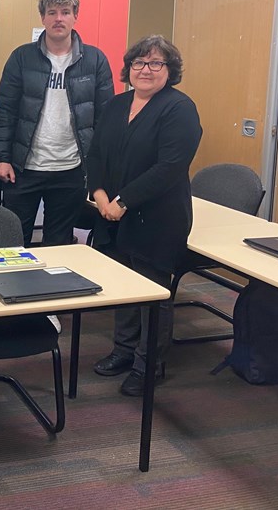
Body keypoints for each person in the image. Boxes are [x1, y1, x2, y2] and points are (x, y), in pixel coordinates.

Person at [88, 35, 202, 396]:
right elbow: (96, 154)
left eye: (156, 63)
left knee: (153, 291)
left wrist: (122, 201)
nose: (145, 70)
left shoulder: (179, 108)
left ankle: (148, 363)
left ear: (170, 70)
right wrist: (101, 194)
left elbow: (169, 167)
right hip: (112, 212)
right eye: (139, 62)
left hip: (157, 217)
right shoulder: (116, 104)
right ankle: (123, 350)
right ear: (128, 68)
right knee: (124, 286)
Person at [0, 0, 114, 246]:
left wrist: (98, 167)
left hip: (71, 168)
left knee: (59, 244)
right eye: (52, 12)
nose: (59, 18)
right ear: (43, 18)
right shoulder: (22, 58)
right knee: (13, 241)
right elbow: (5, 111)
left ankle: (52, 287)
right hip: (24, 167)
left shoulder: (95, 60)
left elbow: (106, 118)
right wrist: (1, 158)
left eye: (65, 12)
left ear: (75, 16)